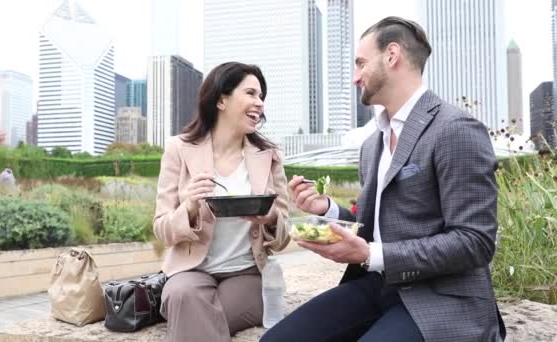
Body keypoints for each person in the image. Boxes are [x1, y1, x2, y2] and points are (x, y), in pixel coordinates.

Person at [261, 16, 506, 342]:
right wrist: (329, 209)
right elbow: (373, 227)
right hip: (378, 285)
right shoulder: (372, 143)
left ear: (392, 56)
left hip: (442, 296)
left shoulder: (455, 130)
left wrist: (370, 255)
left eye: (361, 63)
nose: (354, 77)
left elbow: (474, 242)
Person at [153, 62, 291, 342]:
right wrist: (189, 206)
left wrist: (271, 219)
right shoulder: (178, 149)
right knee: (182, 295)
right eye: (251, 93)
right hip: (190, 271)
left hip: (247, 274)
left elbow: (284, 236)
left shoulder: (269, 155)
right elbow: (161, 229)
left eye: (262, 96)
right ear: (221, 100)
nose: (259, 103)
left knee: (193, 316)